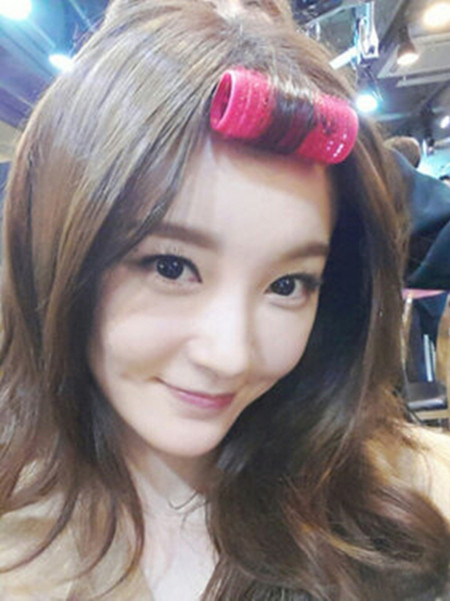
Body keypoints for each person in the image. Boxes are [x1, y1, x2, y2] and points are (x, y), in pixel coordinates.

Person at [0, 1, 449, 600]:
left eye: (288, 285)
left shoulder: (419, 497)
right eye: (171, 267)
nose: (231, 356)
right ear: (56, 254)